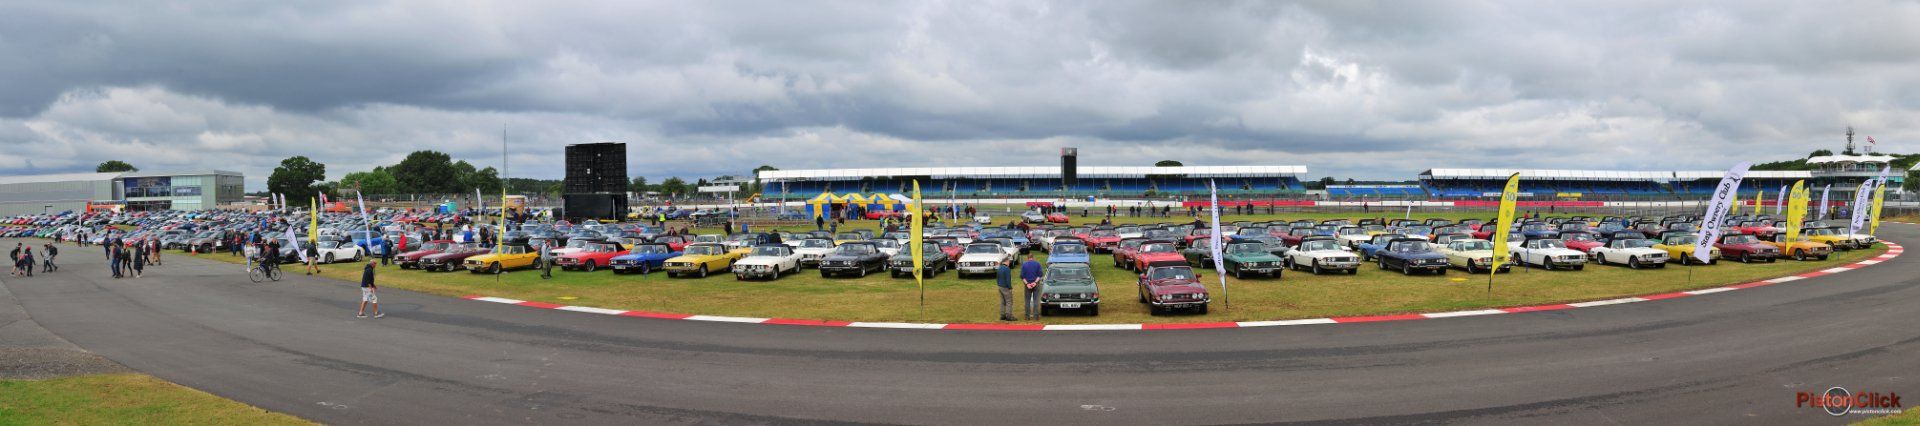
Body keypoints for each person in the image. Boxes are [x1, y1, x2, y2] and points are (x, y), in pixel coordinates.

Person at [1021, 254, 1043, 320]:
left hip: (1027, 284)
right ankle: (1036, 316)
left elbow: (1022, 277)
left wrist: (1027, 284)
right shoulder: (1038, 264)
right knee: (1036, 300)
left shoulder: (1024, 265)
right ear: (1033, 258)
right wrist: (1035, 283)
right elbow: (1040, 275)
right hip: (1036, 284)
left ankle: (1027, 316)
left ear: (1028, 258)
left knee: (1027, 301)